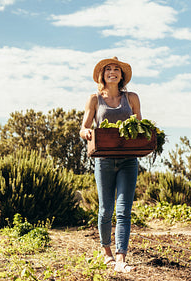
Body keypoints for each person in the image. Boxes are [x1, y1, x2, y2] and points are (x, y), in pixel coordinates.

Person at [79, 57, 141, 273]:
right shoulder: (94, 99)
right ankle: (106, 253)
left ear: (122, 76)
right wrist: (87, 132)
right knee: (106, 210)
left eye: (117, 69)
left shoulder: (131, 98)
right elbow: (84, 127)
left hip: (128, 161)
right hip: (104, 161)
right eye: (108, 70)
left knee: (124, 210)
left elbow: (140, 125)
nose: (112, 72)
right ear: (102, 75)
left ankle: (121, 258)